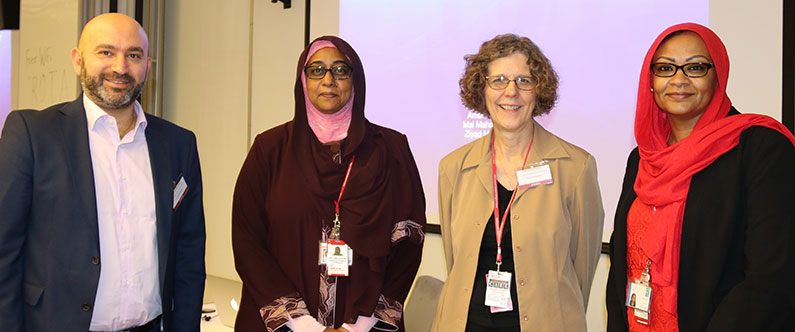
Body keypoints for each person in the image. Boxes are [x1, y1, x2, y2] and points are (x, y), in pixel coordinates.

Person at [0, 13, 206, 332]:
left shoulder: (179, 144)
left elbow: (190, 254)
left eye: (133, 55)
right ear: (78, 61)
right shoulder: (31, 134)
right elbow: (4, 252)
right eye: (106, 52)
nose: (120, 68)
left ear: (148, 66)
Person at [606, 23, 795, 332]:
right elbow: (621, 264)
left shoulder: (761, 149)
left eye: (695, 67)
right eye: (666, 68)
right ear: (650, 80)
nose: (679, 79)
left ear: (717, 75)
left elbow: (771, 276)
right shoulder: (642, 157)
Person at [232, 36, 426, 332]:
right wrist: (304, 325)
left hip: (366, 327)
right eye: (316, 70)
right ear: (303, 80)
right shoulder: (270, 149)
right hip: (285, 326)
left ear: (355, 79)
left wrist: (359, 326)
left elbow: (409, 240)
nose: (328, 80)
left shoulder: (391, 150)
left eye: (340, 70)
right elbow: (247, 241)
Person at [431, 33, 604, 332]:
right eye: (498, 80)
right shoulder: (453, 168)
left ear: (539, 91)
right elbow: (455, 261)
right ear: (481, 89)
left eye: (524, 81)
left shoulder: (575, 168)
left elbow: (582, 270)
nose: (511, 92)